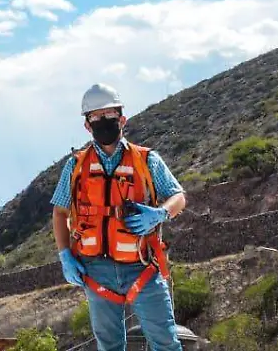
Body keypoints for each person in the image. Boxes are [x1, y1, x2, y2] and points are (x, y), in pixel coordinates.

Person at [51, 83, 188, 351]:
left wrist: (160, 213)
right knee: (109, 346)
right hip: (95, 269)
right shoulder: (75, 166)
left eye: (109, 116)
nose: (103, 122)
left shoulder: (147, 160)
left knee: (166, 343)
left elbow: (178, 196)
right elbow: (60, 211)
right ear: (87, 126)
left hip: (142, 266)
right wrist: (64, 255)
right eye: (96, 118)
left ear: (122, 119)